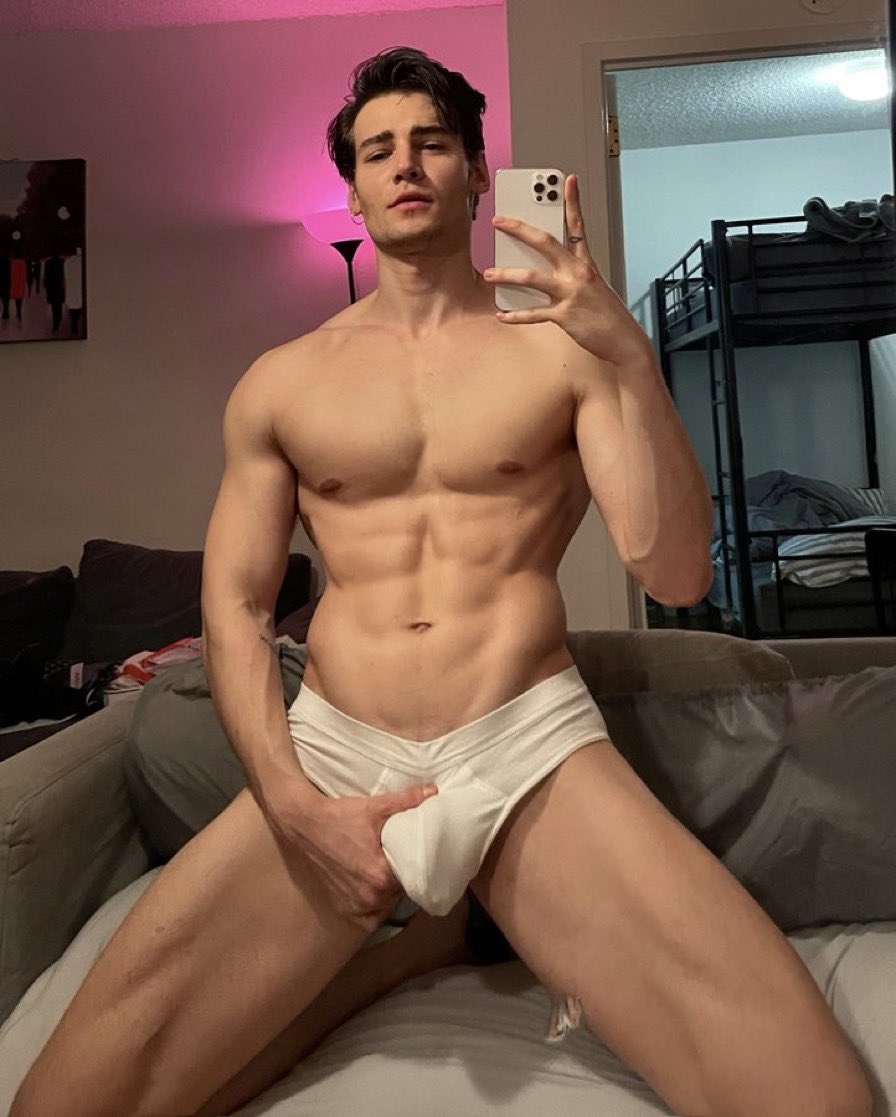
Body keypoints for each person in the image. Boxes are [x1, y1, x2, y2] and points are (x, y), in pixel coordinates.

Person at [11, 46, 873, 1117]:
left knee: (815, 1098)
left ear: (473, 172)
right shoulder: (282, 382)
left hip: (525, 745)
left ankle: (427, 935)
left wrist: (631, 360)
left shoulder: (563, 352)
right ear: (354, 189)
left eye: (430, 142)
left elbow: (675, 567)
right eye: (378, 150)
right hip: (335, 751)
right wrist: (290, 805)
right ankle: (406, 952)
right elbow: (234, 609)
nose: (405, 164)